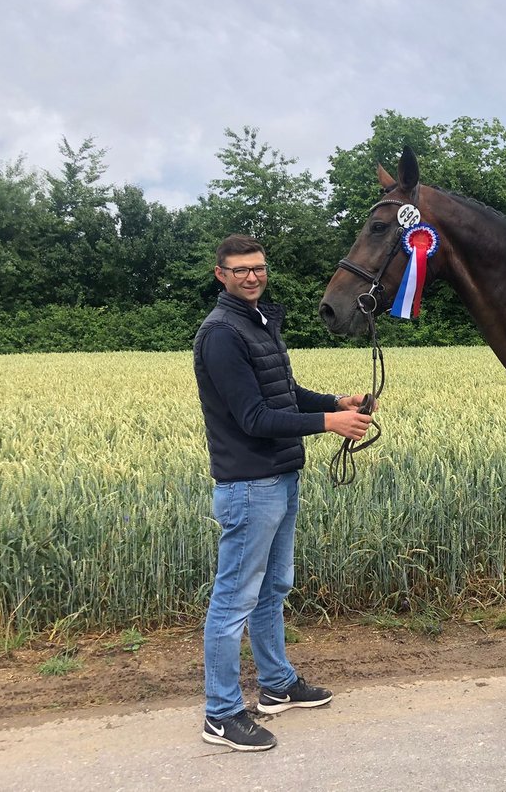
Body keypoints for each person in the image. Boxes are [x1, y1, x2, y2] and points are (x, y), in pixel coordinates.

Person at [193, 233, 374, 752]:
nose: (253, 275)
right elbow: (253, 417)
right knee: (233, 601)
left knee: (274, 589)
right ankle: (221, 714)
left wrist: (337, 401)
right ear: (221, 275)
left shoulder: (261, 321)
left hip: (280, 475)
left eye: (259, 267)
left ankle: (276, 686)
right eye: (241, 269)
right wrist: (330, 422)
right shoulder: (222, 334)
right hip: (251, 484)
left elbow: (283, 394)